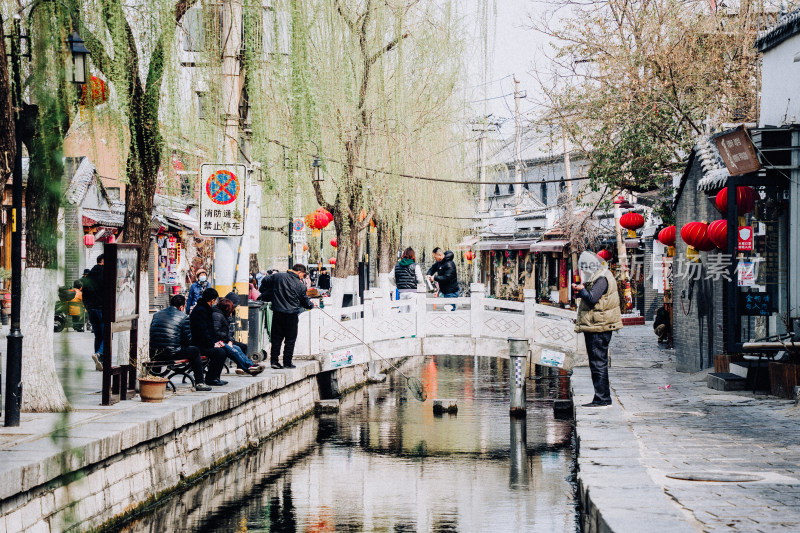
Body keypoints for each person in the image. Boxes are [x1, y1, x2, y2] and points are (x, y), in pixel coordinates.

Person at [572, 251, 623, 408]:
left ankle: (602, 398)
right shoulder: (600, 276)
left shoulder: (602, 278)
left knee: (598, 363)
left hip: (599, 326)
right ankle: (601, 397)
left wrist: (581, 290)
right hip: (596, 324)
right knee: (597, 363)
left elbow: (593, 298)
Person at [150, 294, 215, 391]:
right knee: (195, 351)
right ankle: (200, 383)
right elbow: (188, 340)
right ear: (181, 307)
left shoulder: (156, 315)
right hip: (172, 354)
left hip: (154, 353)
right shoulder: (184, 317)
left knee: (160, 347)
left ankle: (155, 380)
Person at [260, 264, 314, 369]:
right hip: (291, 316)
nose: (302, 278)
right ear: (299, 272)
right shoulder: (300, 286)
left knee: (276, 339)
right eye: (303, 275)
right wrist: (311, 305)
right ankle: (287, 362)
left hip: (278, 313)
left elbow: (265, 280)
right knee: (290, 340)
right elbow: (305, 302)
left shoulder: (278, 276)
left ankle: (274, 362)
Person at [212, 297, 264, 375]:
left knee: (237, 348)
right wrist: (227, 338)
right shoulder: (217, 316)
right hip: (217, 341)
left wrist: (229, 340)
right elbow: (216, 332)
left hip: (223, 340)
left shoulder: (222, 315)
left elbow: (227, 331)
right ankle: (249, 367)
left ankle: (250, 366)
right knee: (234, 350)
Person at [189, 288, 229, 386]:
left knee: (224, 349)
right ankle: (211, 378)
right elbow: (202, 331)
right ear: (212, 300)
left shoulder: (205, 309)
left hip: (205, 343)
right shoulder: (200, 311)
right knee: (220, 352)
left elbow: (211, 330)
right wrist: (212, 344)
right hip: (199, 345)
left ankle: (215, 377)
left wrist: (216, 341)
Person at [82, 254, 105, 371]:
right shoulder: (106, 274)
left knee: (98, 335)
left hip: (91, 309)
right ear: (103, 261)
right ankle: (99, 354)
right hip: (102, 308)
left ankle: (99, 363)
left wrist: (87, 306)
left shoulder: (89, 275)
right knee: (106, 335)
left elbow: (84, 293)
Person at [390, 247, 424, 312]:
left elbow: (390, 277)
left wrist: (396, 284)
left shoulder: (397, 266)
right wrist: (419, 286)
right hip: (413, 292)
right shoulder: (415, 266)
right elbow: (420, 279)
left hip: (402, 292)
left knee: (403, 314)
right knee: (413, 313)